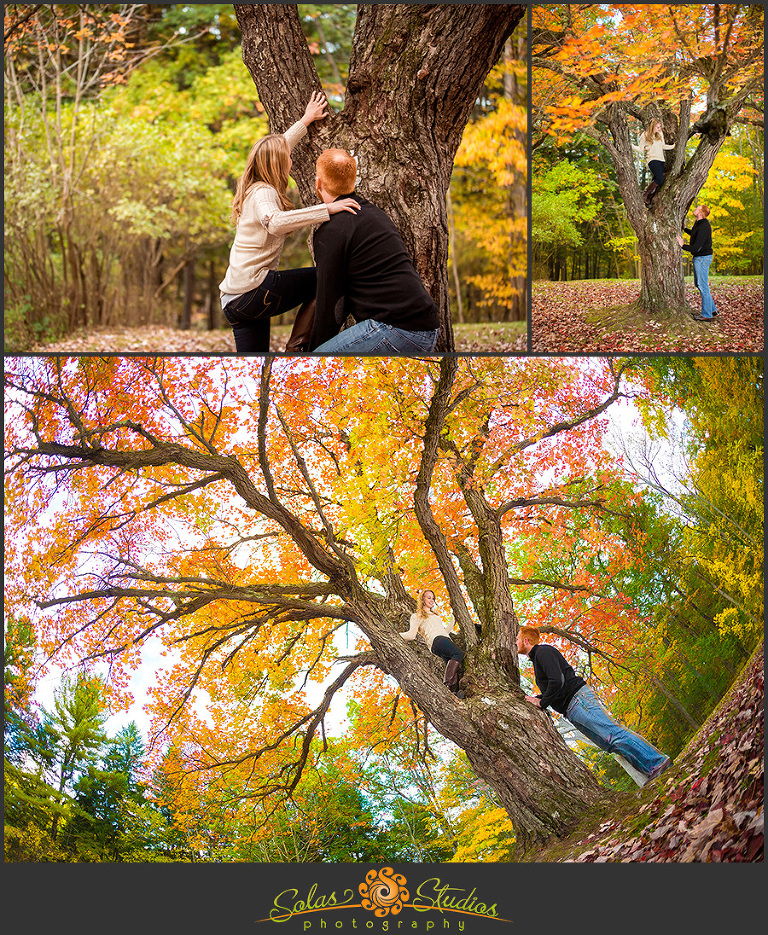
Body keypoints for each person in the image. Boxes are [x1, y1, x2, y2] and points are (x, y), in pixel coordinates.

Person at [219, 92, 360, 352]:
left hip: (234, 301)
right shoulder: (264, 192)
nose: (291, 160)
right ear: (279, 164)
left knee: (256, 363)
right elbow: (274, 222)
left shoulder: (252, 186)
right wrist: (327, 208)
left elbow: (277, 147)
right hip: (253, 290)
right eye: (287, 158)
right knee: (324, 278)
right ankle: (297, 348)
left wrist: (306, 120)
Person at [308, 148, 440, 354]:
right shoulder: (373, 213)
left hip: (399, 329)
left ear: (318, 183)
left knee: (318, 359)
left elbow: (329, 300)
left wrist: (313, 351)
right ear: (353, 180)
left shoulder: (331, 231)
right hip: (425, 325)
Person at [516, 626, 672, 782]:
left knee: (613, 735)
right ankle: (651, 771)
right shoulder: (537, 658)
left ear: (526, 640)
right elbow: (555, 686)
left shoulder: (542, 652)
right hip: (572, 708)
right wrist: (537, 698)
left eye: (517, 639)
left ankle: (658, 763)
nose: (515, 642)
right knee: (610, 744)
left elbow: (557, 681)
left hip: (578, 701)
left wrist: (542, 702)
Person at [400, 589, 464, 693]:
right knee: (458, 653)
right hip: (436, 641)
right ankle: (446, 686)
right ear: (422, 600)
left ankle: (453, 692)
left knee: (456, 667)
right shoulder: (416, 616)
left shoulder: (435, 616)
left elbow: (443, 632)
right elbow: (411, 635)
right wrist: (394, 634)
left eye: (433, 598)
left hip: (443, 639)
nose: (432, 600)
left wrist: (452, 621)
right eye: (429, 598)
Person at [676, 205, 717, 321]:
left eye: (697, 208)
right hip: (700, 258)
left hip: (702, 258)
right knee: (699, 284)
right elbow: (695, 234)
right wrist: (685, 229)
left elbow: (697, 247)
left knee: (702, 285)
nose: (694, 209)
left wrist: (683, 245)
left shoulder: (704, 226)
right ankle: (712, 309)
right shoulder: (699, 223)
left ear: (701, 213)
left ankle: (707, 315)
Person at [632, 120, 675, 206]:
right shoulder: (644, 135)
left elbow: (663, 146)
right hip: (652, 159)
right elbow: (640, 149)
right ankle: (645, 194)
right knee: (660, 179)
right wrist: (631, 145)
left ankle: (648, 199)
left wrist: (673, 146)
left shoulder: (660, 134)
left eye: (660, 127)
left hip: (661, 160)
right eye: (657, 127)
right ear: (652, 126)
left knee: (656, 180)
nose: (659, 129)